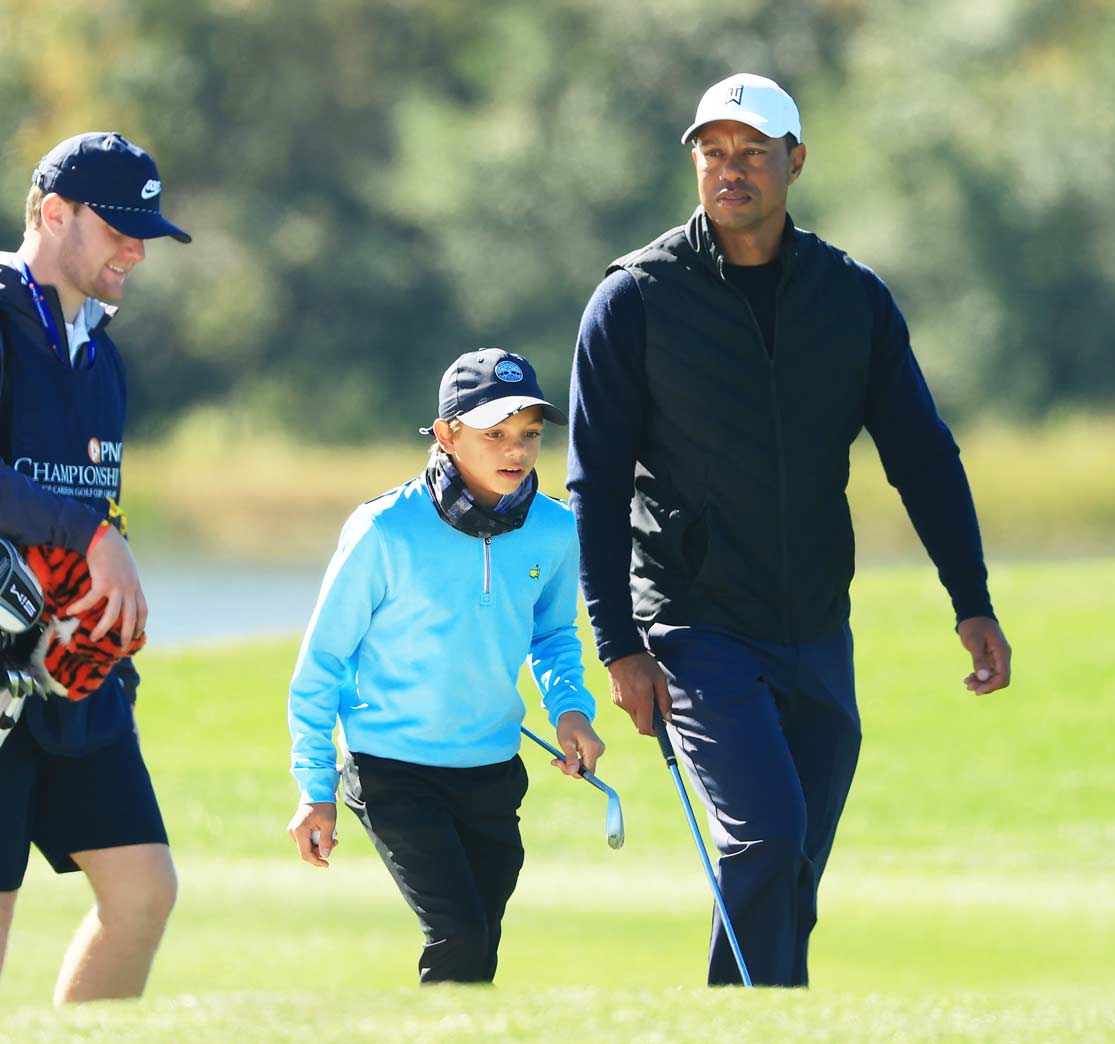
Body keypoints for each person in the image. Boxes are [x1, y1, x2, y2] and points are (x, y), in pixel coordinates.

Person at [567, 73, 1014, 988]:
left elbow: (923, 457)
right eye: (712, 152)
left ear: (795, 162)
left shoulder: (851, 298)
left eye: (752, 152)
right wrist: (618, 645)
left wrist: (970, 599)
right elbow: (596, 486)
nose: (729, 169)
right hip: (692, 622)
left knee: (791, 866)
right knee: (766, 839)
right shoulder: (636, 298)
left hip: (814, 624)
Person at [0, 131, 191, 1008]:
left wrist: (113, 638)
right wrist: (90, 535)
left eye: (145, 234)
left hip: (75, 678)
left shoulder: (101, 352)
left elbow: (94, 505)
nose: (137, 251)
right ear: (54, 214)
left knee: (143, 893)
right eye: (119, 230)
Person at [286, 349, 606, 985]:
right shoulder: (383, 529)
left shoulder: (553, 528)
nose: (516, 450)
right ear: (446, 434)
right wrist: (314, 786)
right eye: (495, 434)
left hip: (491, 769)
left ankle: (458, 1025)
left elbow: (552, 634)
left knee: (480, 943)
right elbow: (322, 663)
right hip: (391, 769)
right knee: (458, 934)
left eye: (529, 434)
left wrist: (571, 708)